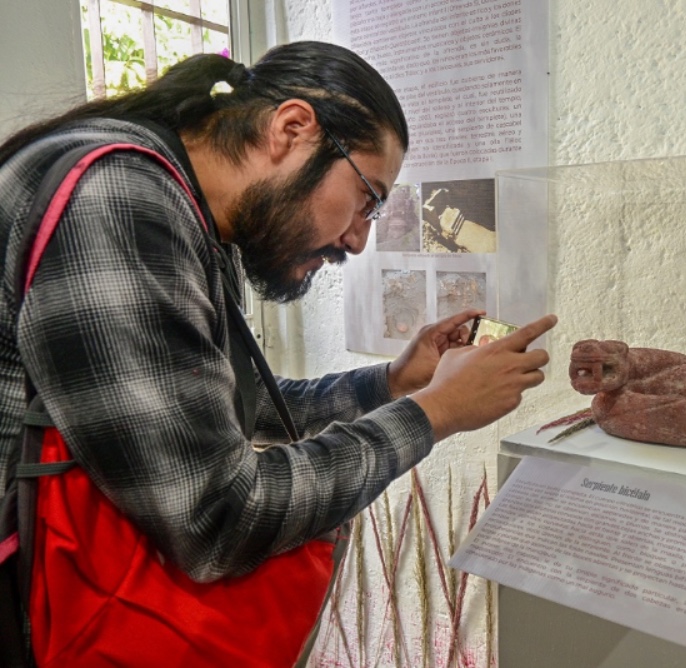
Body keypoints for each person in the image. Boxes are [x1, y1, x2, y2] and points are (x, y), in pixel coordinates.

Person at [0, 41, 555, 665]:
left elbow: (222, 406)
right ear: (291, 129)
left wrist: (394, 382)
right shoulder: (119, 198)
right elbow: (218, 517)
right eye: (367, 198)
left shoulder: (184, 209)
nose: (357, 238)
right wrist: (435, 412)